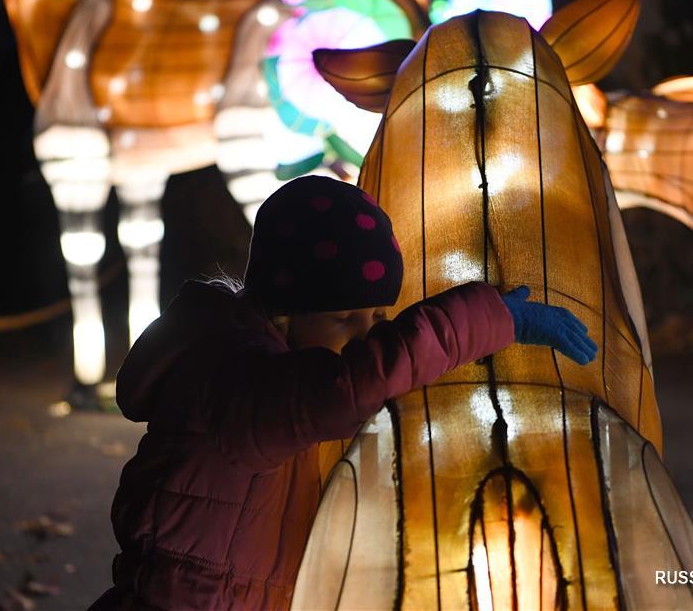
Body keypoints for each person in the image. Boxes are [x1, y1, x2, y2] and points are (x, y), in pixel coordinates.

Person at [88, 175, 597, 611]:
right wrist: (492, 319)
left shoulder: (253, 355)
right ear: (284, 313)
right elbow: (354, 387)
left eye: (377, 318)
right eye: (344, 318)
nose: (366, 336)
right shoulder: (240, 382)